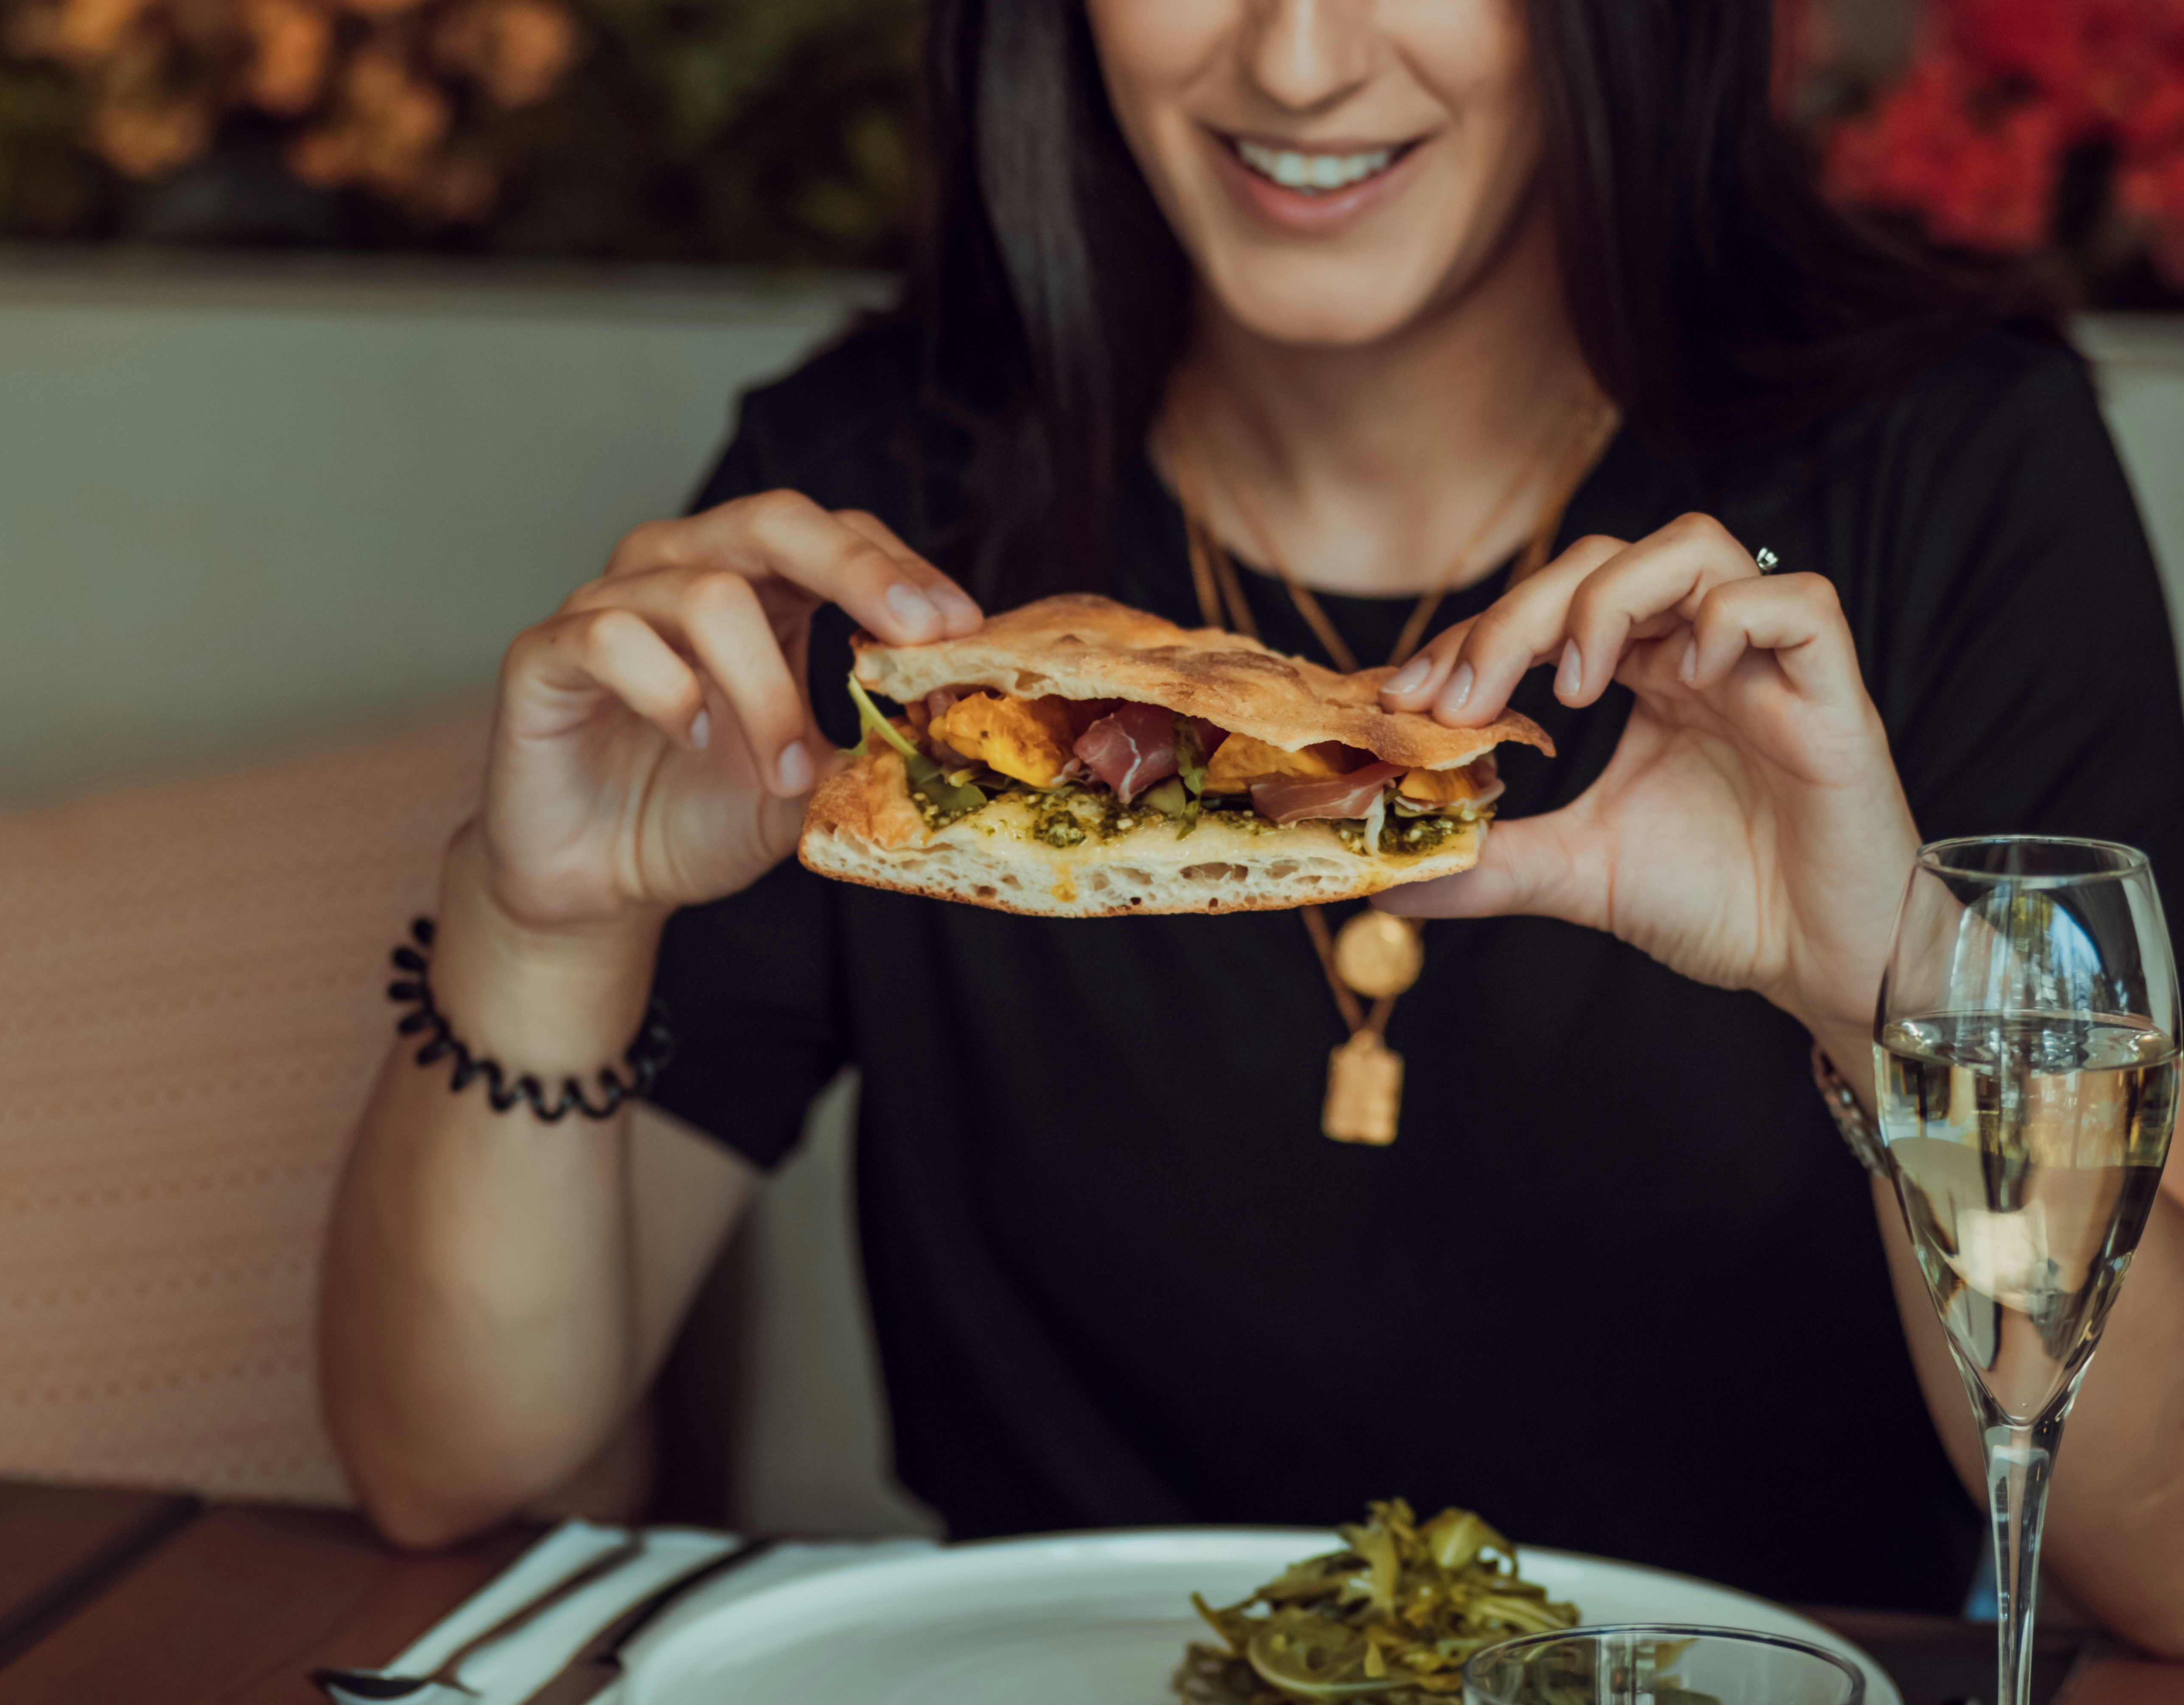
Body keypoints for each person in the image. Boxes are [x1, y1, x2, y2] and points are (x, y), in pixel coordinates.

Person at [319, 0, 2184, 1649]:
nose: (1297, 55)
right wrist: (540, 923)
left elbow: (2160, 1559)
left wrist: (1882, 994)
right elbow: (455, 1479)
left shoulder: (1950, 483)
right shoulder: (875, 533)